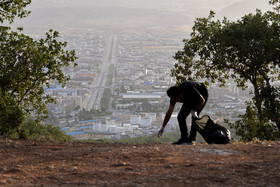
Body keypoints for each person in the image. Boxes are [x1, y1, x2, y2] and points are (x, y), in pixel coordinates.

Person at [158, 81, 208, 145]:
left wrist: (195, 111)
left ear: (181, 95)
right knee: (181, 117)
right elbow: (169, 112)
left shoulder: (190, 89)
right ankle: (184, 138)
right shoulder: (174, 96)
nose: (174, 101)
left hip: (201, 95)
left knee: (194, 117)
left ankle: (192, 139)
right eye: (173, 99)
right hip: (189, 98)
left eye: (176, 100)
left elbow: (202, 100)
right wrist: (163, 127)